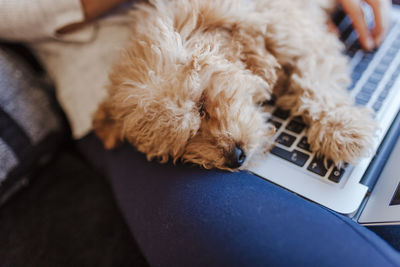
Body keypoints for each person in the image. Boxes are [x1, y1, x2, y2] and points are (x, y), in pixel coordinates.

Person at [0, 0, 399, 266]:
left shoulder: (230, 26)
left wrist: (323, 105)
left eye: (207, 111)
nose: (227, 151)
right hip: (111, 84)